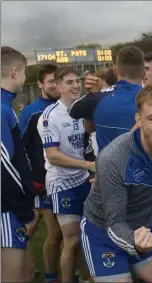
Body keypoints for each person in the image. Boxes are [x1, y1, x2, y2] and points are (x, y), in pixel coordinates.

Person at [80, 84, 152, 282]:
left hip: (144, 227)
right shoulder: (113, 158)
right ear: (138, 120)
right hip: (102, 232)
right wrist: (133, 241)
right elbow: (114, 223)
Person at [69, 46, 152, 242]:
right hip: (149, 180)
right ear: (143, 73)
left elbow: (73, 110)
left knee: (113, 235)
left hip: (111, 182)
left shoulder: (100, 100)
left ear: (116, 71)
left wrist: (93, 94)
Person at [37, 66, 95, 283]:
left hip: (83, 180)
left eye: (77, 81)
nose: (76, 85)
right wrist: (87, 165)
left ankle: (85, 277)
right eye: (69, 82)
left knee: (86, 237)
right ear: (58, 87)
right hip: (62, 184)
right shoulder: (49, 116)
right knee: (71, 240)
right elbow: (53, 156)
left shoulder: (81, 111)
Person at [19, 63, 62, 283]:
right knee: (54, 234)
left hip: (65, 181)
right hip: (42, 182)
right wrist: (31, 180)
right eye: (51, 81)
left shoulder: (67, 108)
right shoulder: (31, 112)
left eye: (58, 80)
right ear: (40, 84)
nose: (55, 85)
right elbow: (19, 148)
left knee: (60, 233)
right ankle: (50, 276)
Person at [1, 46, 39, 282]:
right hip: (7, 209)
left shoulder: (6, 105)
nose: (26, 79)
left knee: (27, 273)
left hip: (11, 207)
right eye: (25, 72)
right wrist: (24, 209)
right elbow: (4, 166)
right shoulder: (1, 109)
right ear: (15, 72)